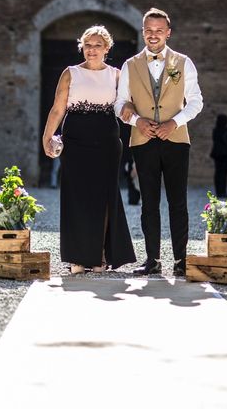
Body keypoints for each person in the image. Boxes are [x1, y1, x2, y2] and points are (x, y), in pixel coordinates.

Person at [115, 8, 203, 276]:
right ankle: (152, 259)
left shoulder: (183, 62)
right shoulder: (130, 65)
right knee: (149, 202)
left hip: (176, 139)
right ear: (143, 32)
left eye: (159, 31)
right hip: (142, 140)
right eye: (149, 30)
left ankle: (181, 261)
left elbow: (196, 101)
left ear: (168, 32)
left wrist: (173, 123)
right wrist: (136, 122)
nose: (154, 35)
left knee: (178, 202)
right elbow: (119, 103)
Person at [42, 25, 136, 274]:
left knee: (105, 197)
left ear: (107, 48)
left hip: (106, 140)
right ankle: (77, 258)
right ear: (81, 47)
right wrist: (46, 136)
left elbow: (128, 104)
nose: (91, 50)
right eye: (87, 45)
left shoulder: (117, 75)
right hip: (75, 140)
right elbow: (57, 109)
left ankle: (100, 257)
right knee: (76, 196)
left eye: (97, 45)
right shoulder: (70, 73)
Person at [210, 114, 227, 197]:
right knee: (222, 174)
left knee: (219, 174)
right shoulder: (225, 131)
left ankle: (220, 192)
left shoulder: (216, 130)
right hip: (224, 155)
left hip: (218, 154)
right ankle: (222, 192)